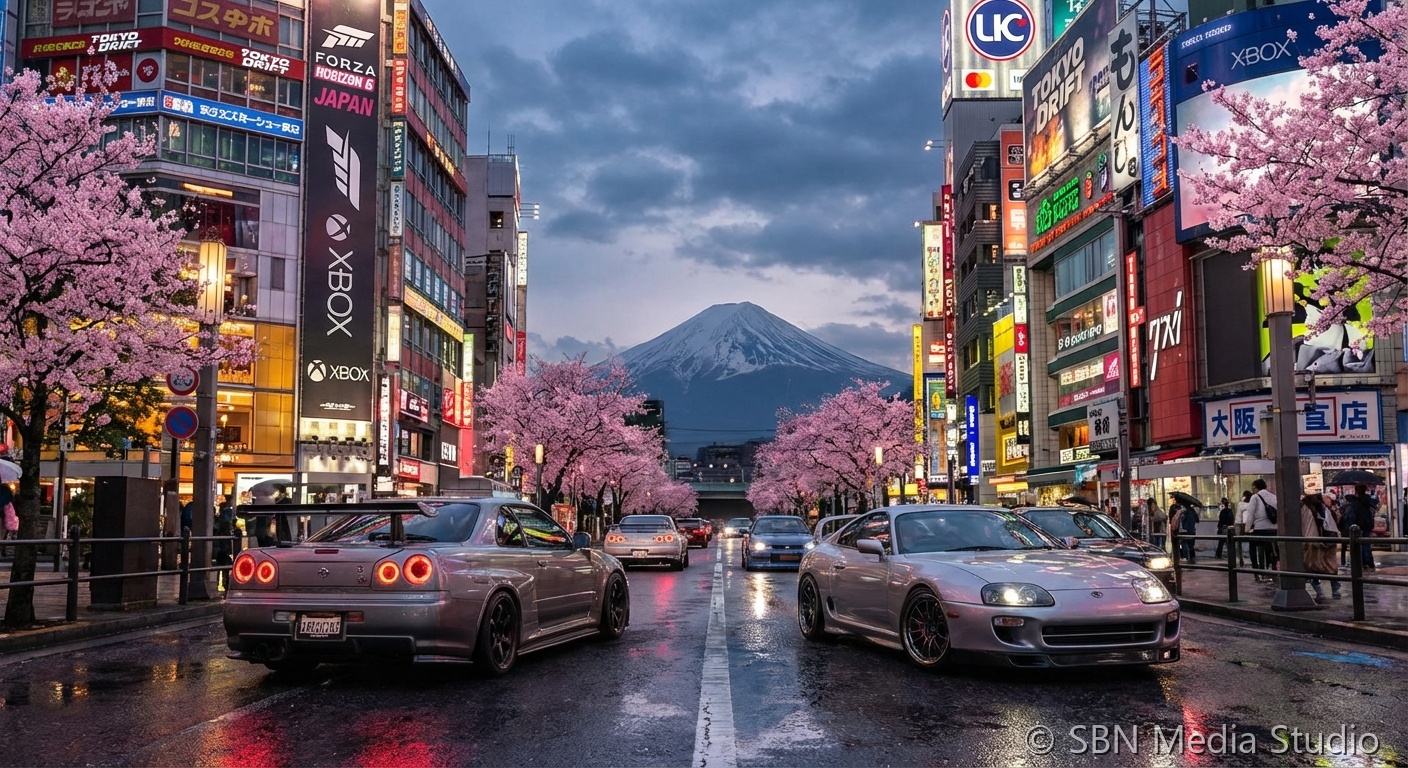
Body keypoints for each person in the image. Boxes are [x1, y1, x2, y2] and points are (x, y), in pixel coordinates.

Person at [1301, 493, 1342, 602]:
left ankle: (1319, 592)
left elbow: (1302, 525)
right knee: (1331, 567)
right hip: (1328, 542)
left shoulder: (1305, 507)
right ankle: (1336, 590)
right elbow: (1336, 521)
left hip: (1311, 542)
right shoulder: (1324, 508)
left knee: (1311, 567)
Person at [1340, 484, 1378, 571]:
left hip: (1356, 526)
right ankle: (1368, 564)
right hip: (1366, 525)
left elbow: (1351, 516)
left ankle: (1362, 564)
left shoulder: (1355, 503)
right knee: (1365, 545)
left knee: (1358, 546)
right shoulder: (1368, 502)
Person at [1248, 478, 1279, 582]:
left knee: (1254, 547)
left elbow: (1250, 514)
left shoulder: (1255, 497)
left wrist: (1247, 528)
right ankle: (1273, 569)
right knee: (1271, 549)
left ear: (1255, 487)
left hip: (1260, 528)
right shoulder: (1274, 497)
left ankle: (1257, 571)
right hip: (1273, 528)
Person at [213, 495, 236, 590]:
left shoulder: (219, 519)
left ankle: (220, 582)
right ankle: (224, 582)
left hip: (220, 546)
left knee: (220, 564)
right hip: (223, 545)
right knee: (225, 563)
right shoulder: (227, 514)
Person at [1171, 497, 1198, 563]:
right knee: (1191, 545)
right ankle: (1192, 558)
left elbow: (1180, 521)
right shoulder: (1192, 511)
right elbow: (1197, 520)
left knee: (1184, 544)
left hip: (1184, 531)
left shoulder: (1183, 511)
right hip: (1192, 531)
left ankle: (1186, 558)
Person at [1237, 490, 1253, 568]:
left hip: (1242, 525)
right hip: (1252, 525)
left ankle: (1241, 560)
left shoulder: (1241, 504)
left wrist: (1237, 524)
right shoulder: (1252, 504)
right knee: (1253, 544)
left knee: (1239, 543)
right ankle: (1253, 560)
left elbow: (1238, 516)